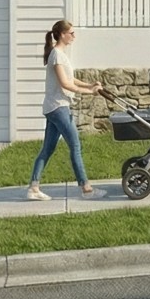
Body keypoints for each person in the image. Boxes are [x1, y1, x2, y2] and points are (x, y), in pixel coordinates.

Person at [27, 19, 103, 201]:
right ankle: (86, 189)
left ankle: (33, 188)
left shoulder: (59, 54)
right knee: (75, 145)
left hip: (54, 107)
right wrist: (89, 92)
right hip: (58, 107)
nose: (74, 36)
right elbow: (65, 83)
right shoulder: (57, 55)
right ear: (63, 34)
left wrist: (90, 84)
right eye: (71, 33)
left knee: (48, 149)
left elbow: (72, 79)